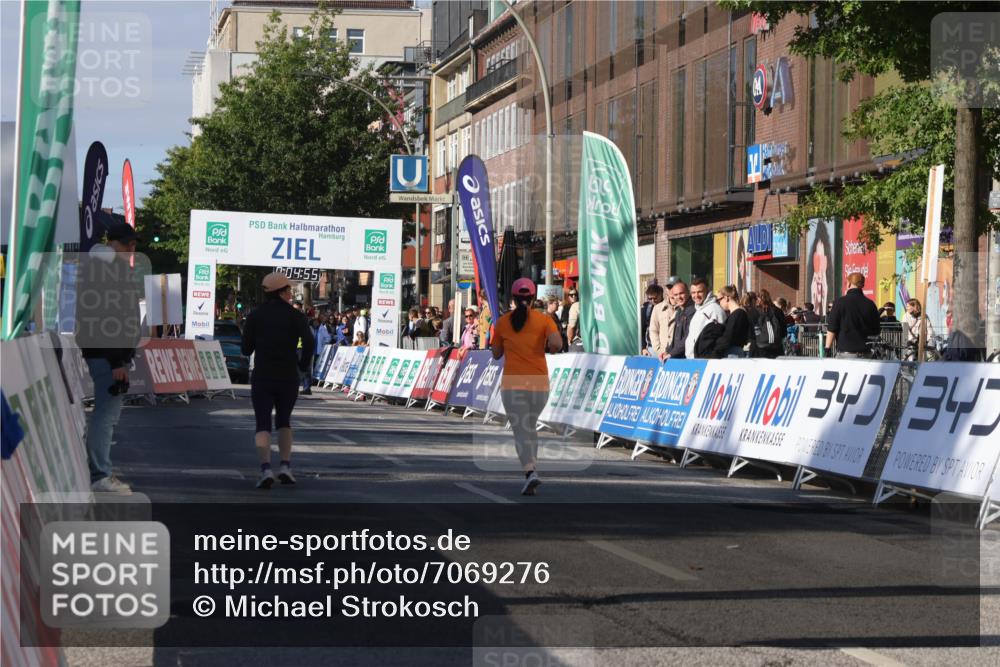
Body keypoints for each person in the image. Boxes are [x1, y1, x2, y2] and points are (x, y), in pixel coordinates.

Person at [75, 222, 143, 494]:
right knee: (106, 416)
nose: (133, 250)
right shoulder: (109, 269)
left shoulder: (99, 267)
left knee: (106, 415)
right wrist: (117, 361)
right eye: (131, 245)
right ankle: (99, 474)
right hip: (107, 354)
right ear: (121, 243)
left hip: (104, 352)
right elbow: (109, 317)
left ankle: (99, 471)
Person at [241, 272, 314, 489]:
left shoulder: (255, 315)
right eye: (289, 290)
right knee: (284, 420)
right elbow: (309, 342)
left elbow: (246, 348)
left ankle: (265, 469)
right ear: (281, 291)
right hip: (288, 376)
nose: (291, 293)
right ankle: (285, 466)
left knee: (262, 422)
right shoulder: (295, 316)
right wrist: (302, 365)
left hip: (263, 375)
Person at [491, 278, 563, 496]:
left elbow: (496, 354)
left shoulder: (503, 322)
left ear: (513, 299)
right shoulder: (544, 320)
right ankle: (533, 469)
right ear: (533, 299)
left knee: (521, 430)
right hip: (539, 382)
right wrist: (548, 347)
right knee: (530, 426)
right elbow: (557, 345)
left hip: (513, 383)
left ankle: (529, 471)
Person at [825, 272, 880, 358]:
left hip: (845, 354)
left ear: (849, 283)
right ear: (862, 285)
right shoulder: (870, 304)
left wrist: (827, 349)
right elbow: (876, 330)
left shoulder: (839, 302)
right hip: (866, 354)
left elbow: (832, 328)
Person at [684, 278, 726, 360]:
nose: (696, 295)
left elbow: (718, 340)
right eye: (693, 292)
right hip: (693, 359)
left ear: (708, 291)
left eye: (699, 292)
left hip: (704, 361)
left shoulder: (714, 310)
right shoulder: (698, 310)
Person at [662, 281, 696, 360]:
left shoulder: (693, 311)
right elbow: (675, 338)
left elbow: (688, 338)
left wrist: (672, 353)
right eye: (676, 295)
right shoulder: (679, 311)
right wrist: (667, 351)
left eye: (681, 293)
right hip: (677, 357)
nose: (679, 297)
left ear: (688, 293)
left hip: (687, 358)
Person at [714, 286, 750, 358]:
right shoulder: (736, 314)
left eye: (719, 300)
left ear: (726, 298)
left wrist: (715, 349)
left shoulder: (738, 314)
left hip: (733, 353)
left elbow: (729, 337)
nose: (719, 303)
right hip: (732, 352)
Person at [749, 290, 787, 358]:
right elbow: (784, 332)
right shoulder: (778, 311)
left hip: (758, 349)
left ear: (759, 298)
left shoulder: (753, 312)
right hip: (776, 349)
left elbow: (750, 332)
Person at [648, 277, 679, 359]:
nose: (671, 290)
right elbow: (653, 330)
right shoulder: (658, 308)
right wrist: (659, 350)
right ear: (666, 290)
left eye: (674, 287)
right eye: (669, 287)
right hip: (661, 355)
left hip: (680, 355)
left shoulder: (686, 308)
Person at [641, 284, 664, 355]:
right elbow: (642, 329)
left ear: (661, 295)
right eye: (650, 299)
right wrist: (644, 348)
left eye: (655, 298)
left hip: (664, 347)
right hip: (650, 348)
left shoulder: (667, 307)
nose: (653, 301)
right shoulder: (646, 308)